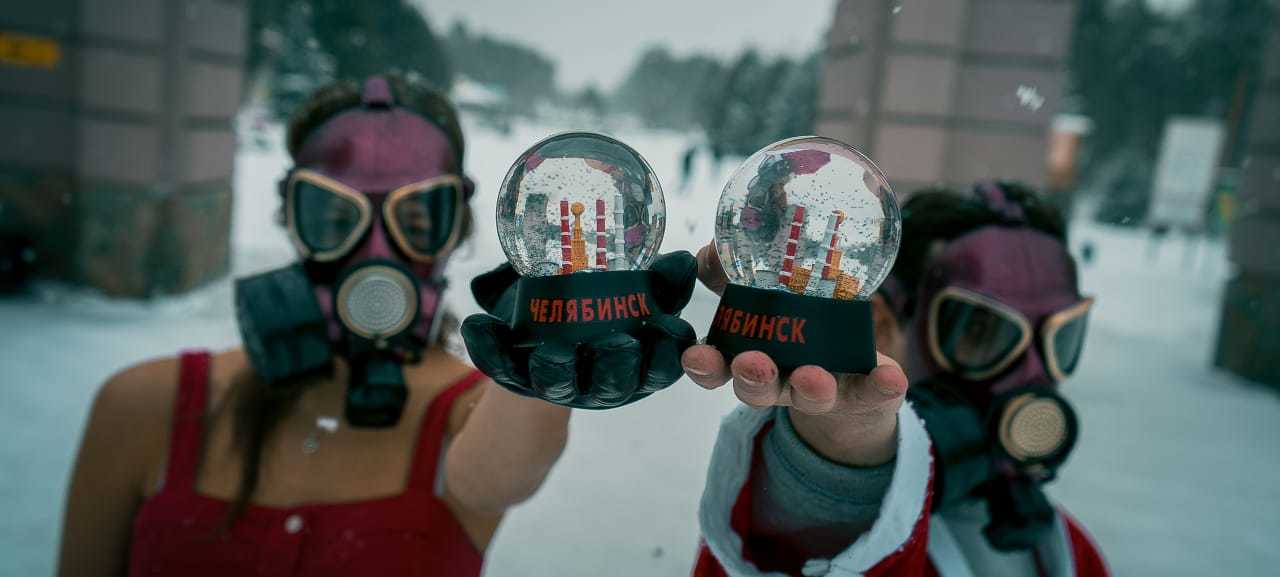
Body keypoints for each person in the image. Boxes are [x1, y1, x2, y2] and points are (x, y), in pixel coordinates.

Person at [58, 76, 577, 577]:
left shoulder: (475, 417)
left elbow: (504, 470)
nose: (376, 254)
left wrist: (552, 352)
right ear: (290, 217)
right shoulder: (146, 409)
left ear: (454, 231)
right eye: (334, 218)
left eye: (416, 221)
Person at [683, 182, 1109, 576]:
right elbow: (785, 549)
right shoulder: (778, 525)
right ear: (884, 325)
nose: (1032, 374)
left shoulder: (1070, 553)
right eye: (981, 330)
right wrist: (830, 469)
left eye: (1060, 337)